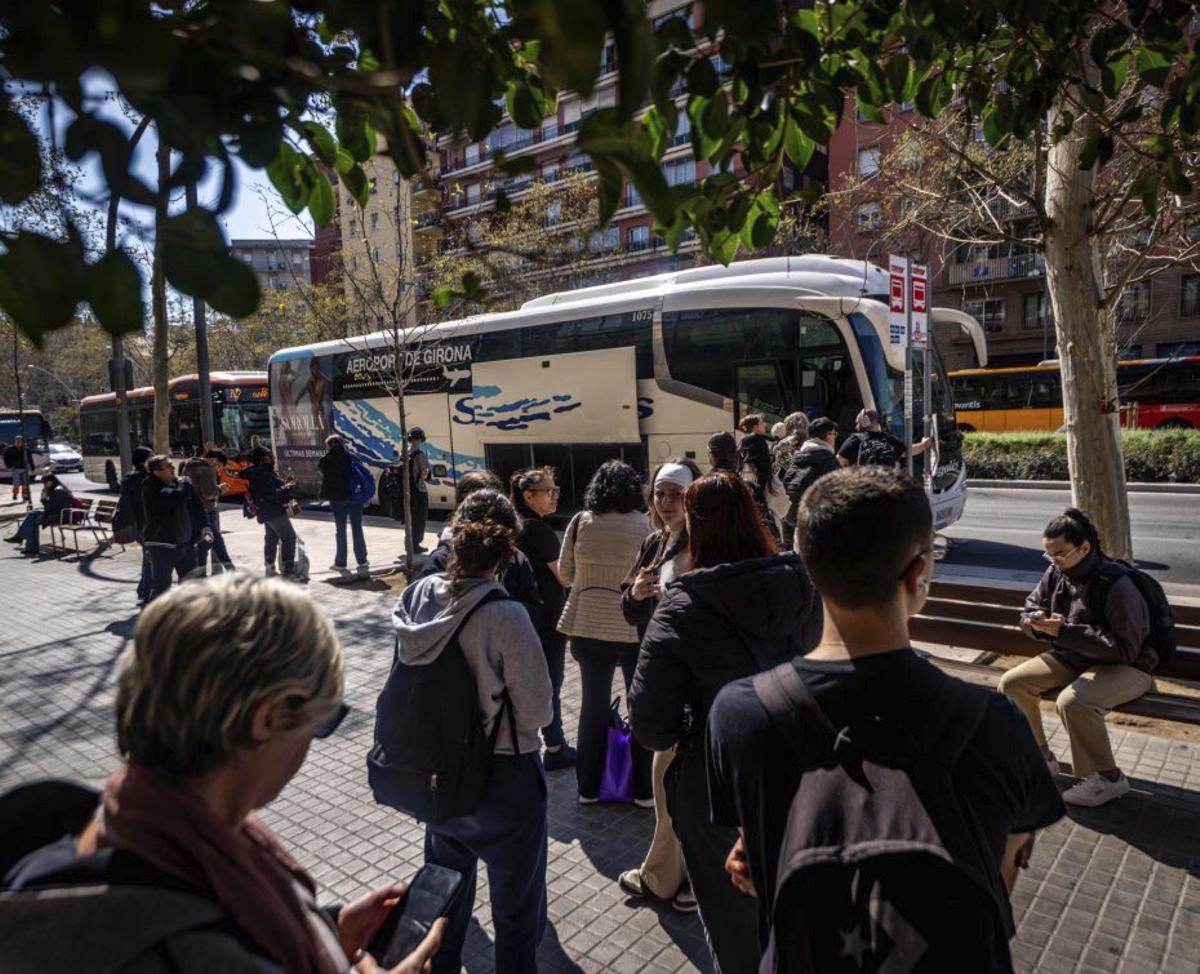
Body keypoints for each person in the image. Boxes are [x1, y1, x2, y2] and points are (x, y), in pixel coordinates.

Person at [706, 467, 1066, 967]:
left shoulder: (738, 712)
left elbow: (752, 849)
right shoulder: (996, 721)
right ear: (919, 575)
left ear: (808, 568)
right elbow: (1002, 871)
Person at [0, 574, 446, 973]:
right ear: (268, 718)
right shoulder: (187, 953)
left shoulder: (87, 831)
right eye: (322, 720)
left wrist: (327, 929)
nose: (314, 741)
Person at [629, 471, 821, 974]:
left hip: (716, 781)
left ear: (698, 526)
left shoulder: (683, 606)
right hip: (799, 764)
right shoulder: (800, 581)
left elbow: (650, 726)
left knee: (734, 922)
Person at [394, 517, 553, 974]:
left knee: (444, 889)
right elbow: (537, 711)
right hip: (504, 776)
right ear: (502, 563)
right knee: (516, 907)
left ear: (452, 554)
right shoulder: (506, 615)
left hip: (436, 774)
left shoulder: (416, 598)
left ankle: (438, 964)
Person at [999, 507, 1157, 808]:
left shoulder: (1117, 584)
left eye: (1060, 555)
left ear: (1084, 547)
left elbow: (1125, 648)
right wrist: (1033, 621)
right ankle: (1040, 759)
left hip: (1128, 666)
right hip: (1075, 656)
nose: (1054, 562)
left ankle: (1109, 779)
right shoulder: (1056, 573)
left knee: (1074, 702)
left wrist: (1065, 631)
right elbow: (1031, 605)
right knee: (1012, 683)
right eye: (1049, 556)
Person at [616, 458, 702, 914]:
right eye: (659, 493)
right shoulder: (654, 542)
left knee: (675, 782)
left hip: (689, 682)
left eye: (675, 494)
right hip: (658, 675)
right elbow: (626, 606)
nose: (665, 503)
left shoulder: (703, 545)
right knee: (666, 782)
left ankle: (684, 878)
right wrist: (636, 594)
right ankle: (668, 875)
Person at [557, 461, 653, 806]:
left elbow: (566, 574)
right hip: (632, 627)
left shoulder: (581, 522)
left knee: (592, 706)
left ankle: (587, 789)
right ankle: (643, 790)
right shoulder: (646, 525)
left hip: (586, 625)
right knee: (639, 704)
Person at [416, 475, 544, 627]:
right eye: (478, 505)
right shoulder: (441, 560)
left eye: (495, 504)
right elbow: (426, 622)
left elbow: (534, 609)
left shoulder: (516, 557)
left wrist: (505, 613)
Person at [511, 467, 575, 769]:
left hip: (523, 618)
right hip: (548, 619)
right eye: (548, 491)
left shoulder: (514, 526)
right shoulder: (539, 530)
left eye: (555, 489)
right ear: (528, 496)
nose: (554, 496)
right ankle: (555, 747)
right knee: (552, 683)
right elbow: (564, 577)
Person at [140, 456, 210, 603]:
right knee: (162, 588)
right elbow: (177, 497)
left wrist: (204, 526)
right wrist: (185, 484)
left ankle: (185, 619)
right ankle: (156, 621)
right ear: (157, 472)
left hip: (186, 544)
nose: (173, 468)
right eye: (168, 466)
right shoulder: (151, 487)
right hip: (162, 545)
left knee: (190, 585)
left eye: (172, 465)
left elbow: (198, 507)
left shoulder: (180, 484)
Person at [779, 416, 840, 549]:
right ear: (828, 436)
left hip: (789, 514)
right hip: (811, 521)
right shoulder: (829, 461)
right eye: (834, 434)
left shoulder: (798, 457)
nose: (835, 437)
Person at [241, 446, 298, 578]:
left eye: (271, 456)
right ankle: (288, 570)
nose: (272, 459)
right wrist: (288, 487)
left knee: (271, 539)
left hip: (266, 511)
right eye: (268, 456)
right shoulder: (263, 473)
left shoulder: (260, 472)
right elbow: (271, 494)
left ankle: (270, 568)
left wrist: (284, 484)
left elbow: (268, 490)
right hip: (273, 511)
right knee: (289, 538)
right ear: (261, 459)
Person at [319, 434, 370, 576]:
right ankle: (362, 560)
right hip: (354, 498)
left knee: (340, 530)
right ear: (342, 444)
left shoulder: (325, 460)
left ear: (329, 446)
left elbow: (323, 474)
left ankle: (340, 563)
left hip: (337, 500)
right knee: (357, 528)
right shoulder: (351, 457)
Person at [181, 451, 234, 575]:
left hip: (192, 512)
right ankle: (232, 572)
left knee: (203, 545)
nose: (218, 468)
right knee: (216, 541)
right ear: (214, 460)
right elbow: (208, 493)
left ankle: (201, 574)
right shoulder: (206, 469)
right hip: (205, 513)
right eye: (219, 465)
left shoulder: (189, 465)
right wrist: (220, 489)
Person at [115, 446, 154, 602]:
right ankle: (146, 591)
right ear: (144, 460)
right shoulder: (143, 479)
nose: (153, 458)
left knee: (148, 557)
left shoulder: (130, 478)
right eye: (151, 456)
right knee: (150, 557)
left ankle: (144, 589)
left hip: (137, 523)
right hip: (145, 523)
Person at [737, 432, 789, 543]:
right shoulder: (771, 480)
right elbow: (784, 507)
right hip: (767, 536)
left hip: (740, 533)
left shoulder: (736, 476)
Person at [836, 407, 932, 468]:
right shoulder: (886, 438)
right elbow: (908, 451)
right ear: (878, 422)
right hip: (883, 484)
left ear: (859, 423)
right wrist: (924, 444)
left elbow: (839, 460)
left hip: (862, 484)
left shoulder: (854, 440)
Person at [8, 474, 73, 555]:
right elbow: (50, 508)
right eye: (43, 482)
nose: (44, 484)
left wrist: (43, 498)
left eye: (46, 482)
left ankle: (28, 545)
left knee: (34, 519)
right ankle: (26, 544)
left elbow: (49, 508)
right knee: (33, 514)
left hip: (61, 517)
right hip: (56, 514)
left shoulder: (58, 491)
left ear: (52, 481)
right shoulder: (56, 489)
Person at [406, 427, 430, 553]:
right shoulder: (420, 455)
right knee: (420, 519)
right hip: (419, 490)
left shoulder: (404, 453)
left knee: (410, 518)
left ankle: (409, 543)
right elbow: (424, 474)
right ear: (421, 438)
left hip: (407, 491)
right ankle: (415, 544)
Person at [5, 435, 33, 503]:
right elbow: (6, 458)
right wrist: (9, 465)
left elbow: (30, 459)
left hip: (25, 468)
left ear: (22, 442)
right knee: (16, 483)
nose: (18, 442)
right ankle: (15, 493)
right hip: (15, 468)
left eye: (20, 441)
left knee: (25, 484)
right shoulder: (10, 449)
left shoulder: (26, 449)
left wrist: (32, 466)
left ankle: (25, 496)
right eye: (17, 441)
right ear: (15, 441)